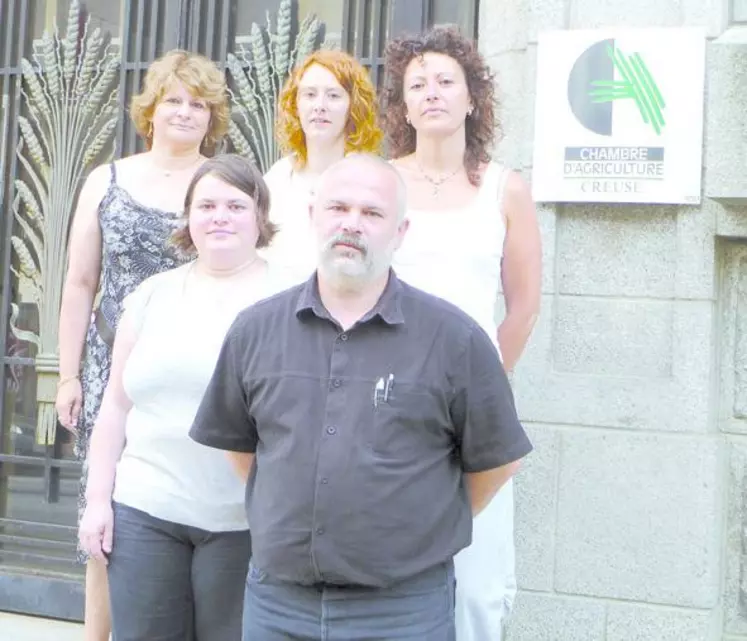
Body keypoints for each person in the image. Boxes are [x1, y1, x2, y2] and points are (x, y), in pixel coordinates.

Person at [189, 154, 533, 641]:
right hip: (279, 605)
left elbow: (496, 464)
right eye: (338, 208)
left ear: (400, 231)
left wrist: (414, 530)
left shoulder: (454, 340)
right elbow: (243, 450)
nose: (352, 224)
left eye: (372, 214)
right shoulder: (255, 331)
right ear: (312, 216)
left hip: (403, 612)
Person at [55, 50, 230, 641]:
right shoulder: (107, 179)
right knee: (102, 521)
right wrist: (69, 374)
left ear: (212, 117)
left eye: (199, 104)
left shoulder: (220, 184)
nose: (185, 112)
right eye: (174, 100)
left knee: (179, 508)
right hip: (111, 368)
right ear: (150, 109)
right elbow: (81, 282)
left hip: (194, 371)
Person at [380, 25, 543, 641]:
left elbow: (524, 305)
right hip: (387, 394)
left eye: (446, 81)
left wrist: (485, 380)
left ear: (473, 97)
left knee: (476, 584)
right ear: (402, 102)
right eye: (417, 84)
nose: (432, 93)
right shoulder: (381, 182)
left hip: (474, 403)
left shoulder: (506, 188)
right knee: (391, 562)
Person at [78, 154, 282, 641]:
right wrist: (97, 501)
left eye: (236, 205)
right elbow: (116, 406)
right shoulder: (152, 294)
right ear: (188, 218)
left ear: (260, 217)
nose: (219, 216)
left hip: (242, 524)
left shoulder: (289, 298)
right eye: (206, 205)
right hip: (146, 512)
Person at [261, 49, 383, 282]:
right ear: (295, 105)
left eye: (334, 96)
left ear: (354, 107)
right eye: (309, 94)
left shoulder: (373, 179)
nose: (320, 106)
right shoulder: (277, 178)